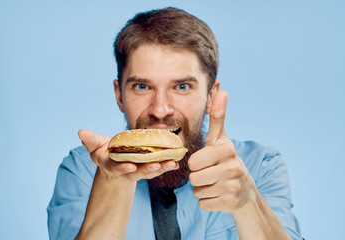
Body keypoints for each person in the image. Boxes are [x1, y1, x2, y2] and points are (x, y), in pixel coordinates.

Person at [47, 7, 303, 240]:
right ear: (119, 96)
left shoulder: (261, 166)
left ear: (210, 97)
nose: (160, 110)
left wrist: (248, 203)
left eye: (182, 87)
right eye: (142, 86)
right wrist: (113, 182)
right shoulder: (82, 170)